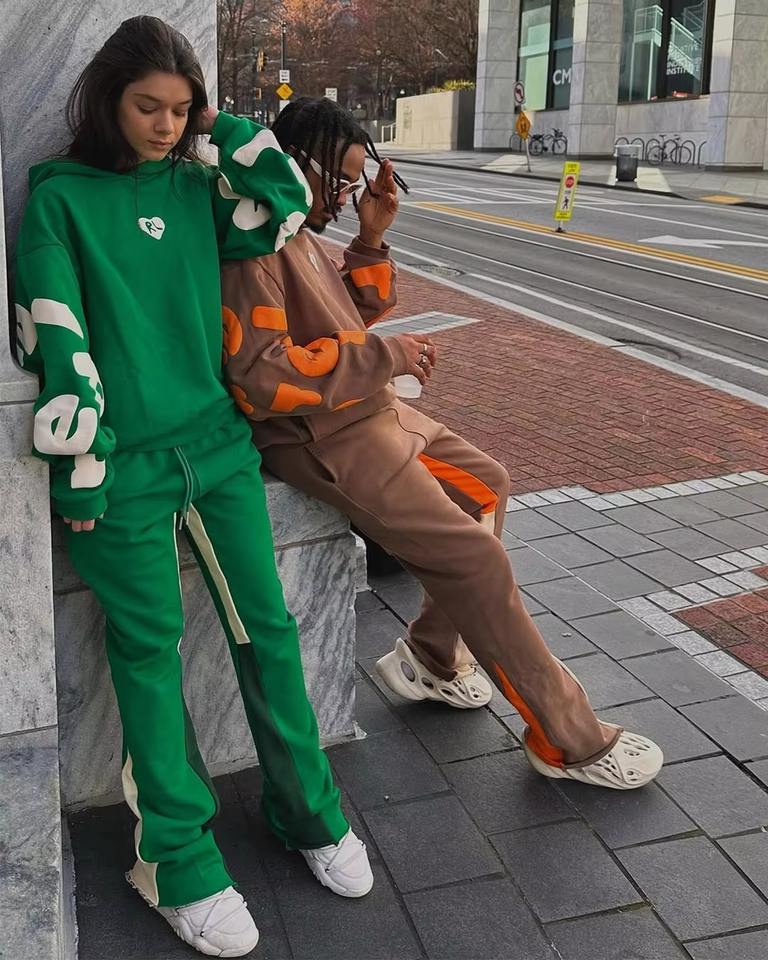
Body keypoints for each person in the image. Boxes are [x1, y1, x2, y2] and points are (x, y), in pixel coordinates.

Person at [15, 21, 371, 959]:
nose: (165, 126)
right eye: (149, 107)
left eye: (180, 110)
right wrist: (81, 466)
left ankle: (309, 812)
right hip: (123, 467)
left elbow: (286, 203)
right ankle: (175, 861)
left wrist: (221, 128)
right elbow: (58, 338)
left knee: (270, 629)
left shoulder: (194, 188)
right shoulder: (58, 199)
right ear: (107, 98)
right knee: (149, 655)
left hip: (217, 448)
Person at [220, 97, 664, 797]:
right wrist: (387, 356)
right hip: (323, 438)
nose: (347, 195)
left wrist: (372, 238)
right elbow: (263, 377)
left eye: (354, 182)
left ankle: (432, 656)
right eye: (340, 179)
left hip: (367, 415)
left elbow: (340, 316)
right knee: (477, 558)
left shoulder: (293, 228)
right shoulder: (253, 243)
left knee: (487, 483)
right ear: (295, 160)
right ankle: (567, 736)